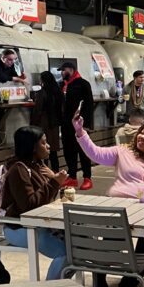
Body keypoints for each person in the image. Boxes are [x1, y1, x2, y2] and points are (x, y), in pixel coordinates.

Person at [0, 126, 69, 279]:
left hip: (42, 225)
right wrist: (53, 182)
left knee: (80, 246)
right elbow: (29, 206)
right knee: (65, 253)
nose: (48, 146)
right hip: (18, 228)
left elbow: (51, 197)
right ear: (32, 147)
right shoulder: (19, 170)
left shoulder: (38, 165)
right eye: (44, 143)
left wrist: (56, 181)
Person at [72, 113, 144, 203]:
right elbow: (96, 153)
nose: (142, 136)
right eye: (141, 132)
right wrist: (80, 131)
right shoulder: (124, 151)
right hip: (117, 203)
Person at [60, 61, 94, 190]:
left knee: (83, 150)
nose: (62, 73)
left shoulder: (83, 84)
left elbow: (89, 105)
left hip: (79, 123)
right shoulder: (63, 85)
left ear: (71, 70)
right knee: (69, 150)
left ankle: (87, 177)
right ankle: (72, 177)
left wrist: (86, 124)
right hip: (66, 123)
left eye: (64, 70)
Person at [30, 70, 64, 171]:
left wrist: (32, 124)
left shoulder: (42, 92)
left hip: (44, 124)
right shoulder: (58, 91)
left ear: (43, 80)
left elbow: (38, 110)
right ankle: (56, 173)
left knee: (43, 152)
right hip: (55, 125)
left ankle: (45, 174)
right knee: (53, 152)